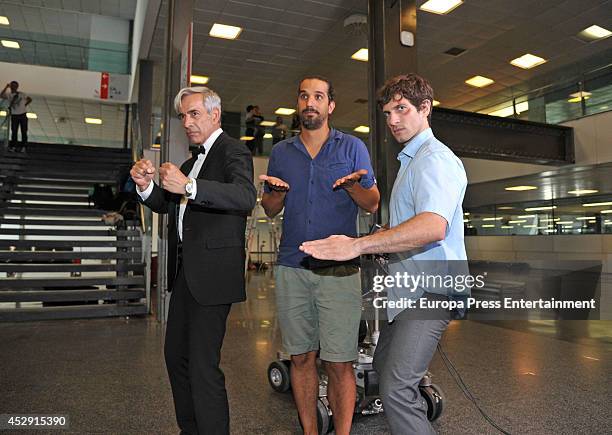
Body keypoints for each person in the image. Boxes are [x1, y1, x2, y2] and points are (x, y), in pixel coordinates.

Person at [300, 73, 468, 435]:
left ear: (425, 109)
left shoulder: (434, 159)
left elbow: (432, 227)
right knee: (383, 363)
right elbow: (410, 227)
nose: (393, 120)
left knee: (396, 388)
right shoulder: (411, 160)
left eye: (402, 109)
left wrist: (358, 245)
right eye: (388, 112)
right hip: (408, 292)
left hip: (430, 292)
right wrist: (380, 237)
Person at [130, 86, 256, 435]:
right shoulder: (190, 163)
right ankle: (191, 429)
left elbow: (246, 196)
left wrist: (190, 186)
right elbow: (168, 206)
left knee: (203, 365)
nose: (186, 121)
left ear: (215, 115)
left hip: (214, 275)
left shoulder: (234, 151)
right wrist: (145, 187)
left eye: (194, 113)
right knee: (176, 358)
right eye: (183, 115)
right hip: (186, 273)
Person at [259, 76, 380, 435]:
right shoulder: (282, 153)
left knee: (340, 361)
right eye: (303, 96)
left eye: (318, 96)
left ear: (330, 106)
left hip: (339, 270)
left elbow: (372, 204)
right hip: (292, 267)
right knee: (300, 357)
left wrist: (353, 186)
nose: (309, 102)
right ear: (299, 104)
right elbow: (268, 208)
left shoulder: (352, 148)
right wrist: (277, 196)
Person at [1, 81, 32, 152]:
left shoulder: (21, 94)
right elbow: (1, 95)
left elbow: (30, 99)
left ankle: (23, 147)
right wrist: (6, 87)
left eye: (15, 86)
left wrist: (24, 105)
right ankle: (13, 146)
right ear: (10, 86)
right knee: (14, 131)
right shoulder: (9, 95)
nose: (13, 87)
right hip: (14, 115)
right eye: (12, 86)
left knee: (24, 131)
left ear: (17, 87)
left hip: (23, 114)